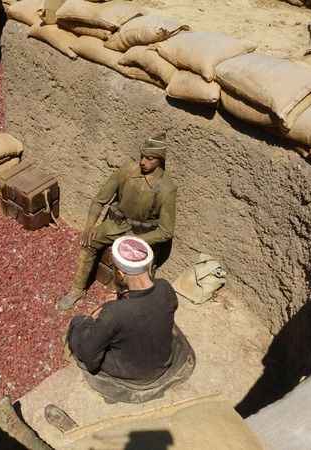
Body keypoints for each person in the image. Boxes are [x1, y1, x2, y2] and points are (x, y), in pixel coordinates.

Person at [63, 236, 195, 405]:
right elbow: (144, 312)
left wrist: (90, 322)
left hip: (136, 375)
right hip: (162, 363)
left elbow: (91, 358)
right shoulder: (165, 288)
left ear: (120, 273)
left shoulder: (114, 312)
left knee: (78, 326)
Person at [57, 132, 177, 311]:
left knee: (143, 272)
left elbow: (166, 231)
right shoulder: (127, 171)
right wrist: (90, 226)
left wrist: (139, 242)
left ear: (160, 160)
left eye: (150, 158)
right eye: (142, 156)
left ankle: (132, 306)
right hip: (116, 224)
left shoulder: (166, 189)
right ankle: (77, 289)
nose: (143, 162)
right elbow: (100, 199)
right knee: (89, 242)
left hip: (142, 235)